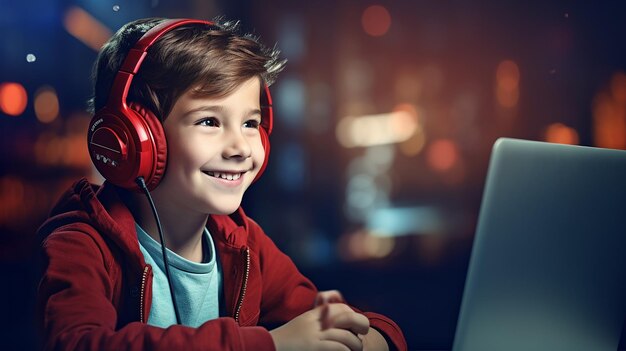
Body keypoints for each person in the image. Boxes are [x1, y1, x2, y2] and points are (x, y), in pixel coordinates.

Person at [36, 17, 407, 351]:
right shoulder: (81, 244)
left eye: (250, 123)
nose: (240, 148)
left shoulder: (243, 242)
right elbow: (79, 342)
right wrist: (270, 345)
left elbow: (335, 320)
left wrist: (373, 339)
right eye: (209, 121)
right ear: (136, 140)